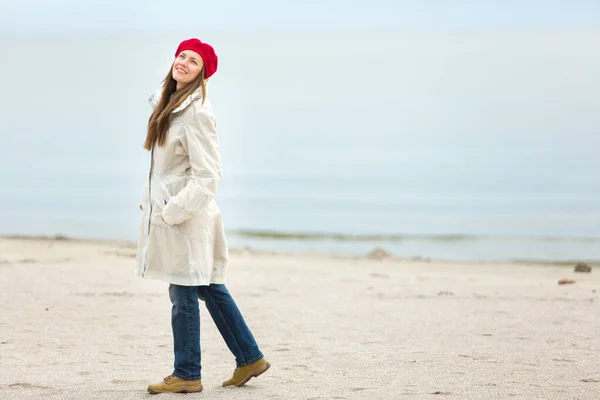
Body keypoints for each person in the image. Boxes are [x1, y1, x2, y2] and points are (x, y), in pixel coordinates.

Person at [136, 38, 270, 394]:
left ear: (202, 74)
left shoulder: (196, 112)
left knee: (182, 293)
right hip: (174, 212)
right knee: (208, 286)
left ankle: (187, 372)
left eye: (193, 61)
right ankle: (250, 357)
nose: (183, 62)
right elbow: (166, 169)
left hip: (186, 216)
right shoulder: (168, 104)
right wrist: (152, 202)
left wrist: (171, 210)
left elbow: (207, 175)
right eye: (181, 55)